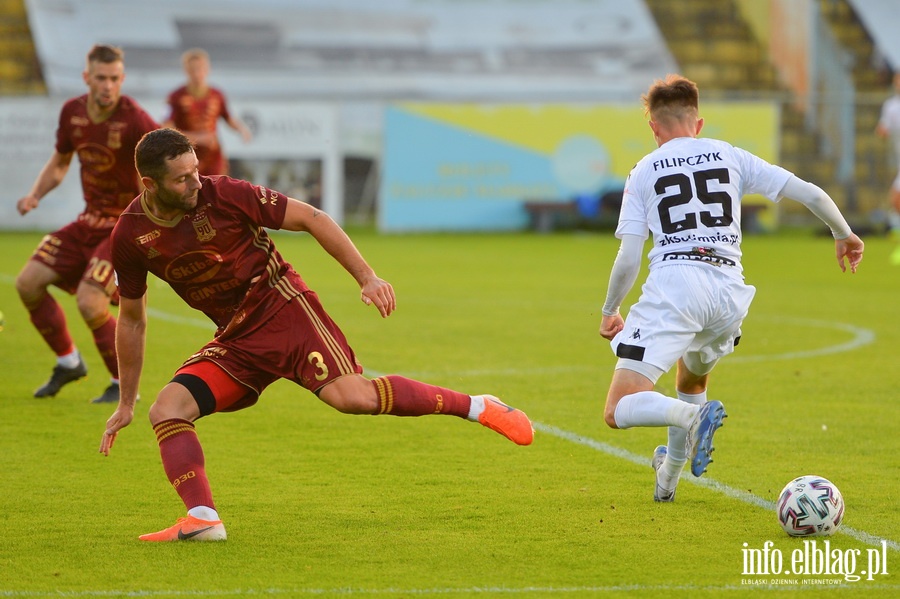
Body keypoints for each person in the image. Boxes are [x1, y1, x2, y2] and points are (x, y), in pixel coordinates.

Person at [98, 128, 534, 541]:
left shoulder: (224, 193)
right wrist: (125, 400)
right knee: (168, 409)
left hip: (285, 311)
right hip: (236, 339)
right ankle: (203, 519)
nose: (196, 181)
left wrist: (367, 277)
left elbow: (311, 216)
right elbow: (132, 318)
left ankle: (478, 405)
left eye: (196, 170)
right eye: (183, 178)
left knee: (354, 398)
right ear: (150, 184)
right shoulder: (131, 235)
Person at [598, 74, 864, 502]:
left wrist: (611, 309)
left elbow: (629, 255)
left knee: (617, 410)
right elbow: (810, 193)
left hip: (676, 284)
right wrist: (843, 234)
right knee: (692, 374)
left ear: (653, 128)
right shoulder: (729, 154)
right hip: (728, 293)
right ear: (698, 123)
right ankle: (668, 479)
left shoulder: (644, 169)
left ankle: (691, 416)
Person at [15, 44, 159, 404]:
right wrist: (36, 195)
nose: (108, 86)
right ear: (87, 78)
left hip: (122, 228)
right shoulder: (72, 112)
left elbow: (160, 170)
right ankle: (68, 362)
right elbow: (61, 162)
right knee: (28, 284)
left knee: (89, 302)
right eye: (101, 78)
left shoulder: (136, 120)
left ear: (122, 79)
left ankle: (123, 386)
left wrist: (155, 227)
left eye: (114, 79)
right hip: (87, 222)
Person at [162, 48, 251, 176]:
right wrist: (196, 138)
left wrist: (242, 129)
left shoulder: (217, 95)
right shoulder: (175, 97)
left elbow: (228, 118)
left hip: (213, 157)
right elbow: (165, 126)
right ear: (186, 71)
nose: (197, 73)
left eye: (200, 68)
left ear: (208, 69)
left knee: (216, 191)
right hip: (186, 156)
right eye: (193, 69)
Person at [875, 72, 900, 238]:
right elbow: (884, 128)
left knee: (896, 197)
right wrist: (882, 131)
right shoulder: (891, 106)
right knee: (896, 200)